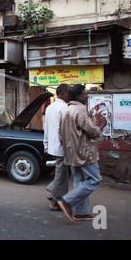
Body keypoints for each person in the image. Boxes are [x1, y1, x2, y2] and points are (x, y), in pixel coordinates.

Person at [58, 84, 107, 222]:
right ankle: (67, 201)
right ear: (79, 96)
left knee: (80, 182)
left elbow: (60, 134)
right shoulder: (80, 110)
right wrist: (102, 124)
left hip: (71, 153)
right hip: (85, 153)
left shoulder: (66, 111)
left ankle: (81, 213)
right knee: (94, 180)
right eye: (85, 94)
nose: (87, 96)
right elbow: (93, 132)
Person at [44, 83, 70, 211]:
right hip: (62, 147)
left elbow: (46, 128)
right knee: (62, 176)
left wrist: (46, 144)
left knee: (61, 173)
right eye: (69, 92)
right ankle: (54, 202)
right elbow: (65, 131)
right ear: (63, 94)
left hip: (55, 147)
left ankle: (52, 191)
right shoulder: (64, 108)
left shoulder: (50, 107)